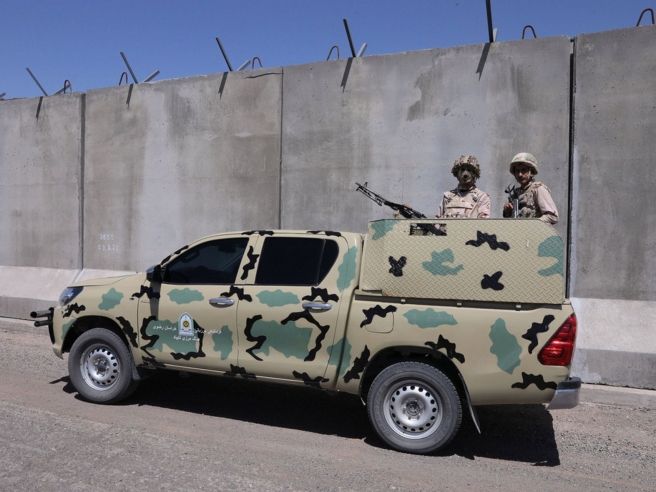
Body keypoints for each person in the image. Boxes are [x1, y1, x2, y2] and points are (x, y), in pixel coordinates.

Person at [503, 152, 559, 224]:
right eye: (517, 171)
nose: (520, 174)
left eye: (523, 170)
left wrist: (533, 224)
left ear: (531, 172)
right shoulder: (515, 194)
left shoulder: (538, 189)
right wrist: (507, 212)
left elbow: (552, 216)